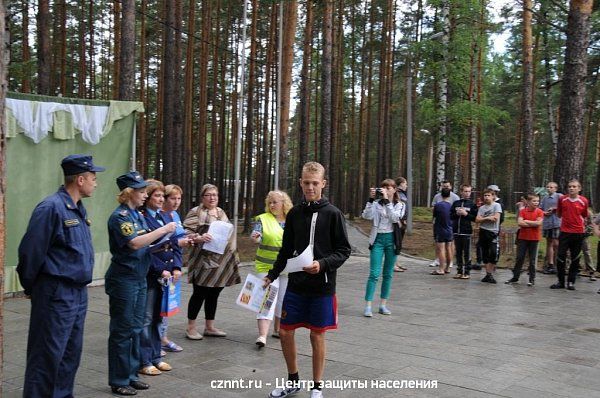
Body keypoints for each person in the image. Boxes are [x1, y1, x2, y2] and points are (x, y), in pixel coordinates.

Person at [16, 154, 105, 398]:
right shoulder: (51, 208)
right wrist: (35, 288)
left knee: (69, 354)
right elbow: (30, 253)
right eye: (93, 178)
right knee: (46, 355)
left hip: (76, 293)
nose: (96, 183)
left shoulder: (76, 207)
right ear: (80, 179)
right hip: (56, 292)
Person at [263, 161, 351, 398]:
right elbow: (286, 249)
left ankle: (317, 386)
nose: (310, 187)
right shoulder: (294, 213)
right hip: (296, 285)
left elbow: (344, 250)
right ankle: (293, 381)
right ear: (300, 183)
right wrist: (271, 275)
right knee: (284, 332)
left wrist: (321, 264)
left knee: (316, 334)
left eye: (315, 183)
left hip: (322, 287)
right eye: (306, 183)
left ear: (323, 184)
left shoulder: (333, 214)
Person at [105, 171, 177, 396]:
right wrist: (164, 230)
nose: (145, 195)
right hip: (124, 279)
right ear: (129, 193)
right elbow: (135, 243)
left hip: (139, 277)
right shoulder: (121, 217)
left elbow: (146, 242)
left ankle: (131, 374)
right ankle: (118, 379)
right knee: (122, 330)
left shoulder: (136, 215)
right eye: (141, 191)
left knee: (136, 328)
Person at [139, 180, 187, 376]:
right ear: (148, 198)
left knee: (159, 317)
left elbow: (175, 244)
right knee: (147, 318)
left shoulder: (165, 216)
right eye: (156, 196)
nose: (160, 199)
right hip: (152, 276)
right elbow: (145, 250)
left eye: (161, 196)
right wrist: (160, 270)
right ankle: (144, 360)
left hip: (167, 276)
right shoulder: (142, 218)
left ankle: (156, 357)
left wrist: (176, 266)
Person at [184, 184, 241, 340]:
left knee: (214, 293)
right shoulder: (196, 212)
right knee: (199, 293)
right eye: (208, 195)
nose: (212, 198)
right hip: (202, 260)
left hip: (221, 261)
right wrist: (199, 237)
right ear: (202, 197)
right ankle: (191, 327)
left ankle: (209, 326)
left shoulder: (221, 212)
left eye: (215, 195)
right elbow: (186, 232)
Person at [250, 190, 294, 347]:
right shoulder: (262, 219)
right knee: (267, 299)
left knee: (283, 300)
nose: (272, 205)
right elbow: (257, 234)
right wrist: (256, 238)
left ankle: (278, 329)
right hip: (266, 267)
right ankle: (262, 335)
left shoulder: (292, 219)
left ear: (284, 203)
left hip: (287, 268)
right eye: (270, 202)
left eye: (275, 202)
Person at [362, 179, 405, 316]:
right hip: (377, 240)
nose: (386, 190)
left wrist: (387, 202)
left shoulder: (400, 204)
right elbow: (366, 215)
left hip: (391, 240)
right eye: (384, 187)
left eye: (389, 188)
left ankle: (383, 304)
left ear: (394, 190)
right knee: (374, 273)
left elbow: (395, 218)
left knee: (388, 274)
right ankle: (368, 305)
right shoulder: (376, 204)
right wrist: (370, 199)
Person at [159, 184, 187, 354]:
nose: (176, 202)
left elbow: (179, 240)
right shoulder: (159, 216)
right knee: (156, 307)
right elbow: (164, 243)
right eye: (172, 198)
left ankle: (163, 337)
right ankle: (157, 339)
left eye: (179, 198)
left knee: (167, 304)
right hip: (160, 266)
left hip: (172, 266)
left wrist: (177, 266)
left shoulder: (175, 215)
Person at [550, 179, 589, 291]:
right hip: (565, 232)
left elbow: (584, 214)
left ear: (579, 188)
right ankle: (560, 281)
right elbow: (559, 213)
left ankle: (571, 282)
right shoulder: (562, 199)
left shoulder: (584, 201)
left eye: (574, 186)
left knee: (575, 258)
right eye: (570, 186)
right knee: (560, 257)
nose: (571, 188)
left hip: (578, 233)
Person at [505, 193, 544, 286]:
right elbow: (520, 223)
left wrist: (526, 221)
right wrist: (531, 223)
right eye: (534, 201)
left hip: (534, 238)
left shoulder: (539, 212)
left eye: (537, 201)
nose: (536, 203)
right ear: (528, 202)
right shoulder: (523, 211)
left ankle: (532, 279)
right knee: (520, 258)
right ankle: (515, 277)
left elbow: (538, 223)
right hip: (523, 238)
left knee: (532, 259)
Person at [450, 184, 478, 279]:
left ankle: (467, 272)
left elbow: (475, 218)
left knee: (467, 253)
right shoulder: (456, 203)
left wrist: (466, 214)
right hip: (456, 231)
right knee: (458, 252)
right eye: (465, 191)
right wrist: (456, 214)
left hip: (466, 232)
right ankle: (459, 271)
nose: (467, 193)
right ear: (461, 192)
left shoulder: (472, 204)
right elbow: (450, 216)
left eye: (469, 191)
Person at [430, 180, 459, 268]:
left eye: (447, 186)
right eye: (444, 186)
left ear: (451, 187)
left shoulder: (455, 197)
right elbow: (433, 208)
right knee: (438, 242)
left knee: (449, 244)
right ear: (441, 187)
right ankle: (437, 260)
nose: (446, 188)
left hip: (450, 223)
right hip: (438, 223)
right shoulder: (437, 196)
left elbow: (457, 209)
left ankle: (448, 263)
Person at [475, 189, 502, 284]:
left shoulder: (496, 205)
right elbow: (477, 219)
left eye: (488, 195)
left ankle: (490, 272)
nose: (486, 197)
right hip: (483, 231)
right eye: (485, 195)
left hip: (493, 232)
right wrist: (487, 218)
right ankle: (488, 274)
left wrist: (483, 219)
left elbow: (495, 218)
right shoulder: (482, 208)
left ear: (493, 196)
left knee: (494, 253)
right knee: (485, 253)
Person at [431, 187, 454, 275]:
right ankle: (448, 268)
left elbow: (434, 217)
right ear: (449, 195)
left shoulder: (438, 205)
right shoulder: (451, 206)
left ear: (441, 195)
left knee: (441, 249)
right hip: (449, 229)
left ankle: (441, 268)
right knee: (449, 248)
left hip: (440, 229)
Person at [540, 182, 562, 274]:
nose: (549, 188)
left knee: (556, 243)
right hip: (547, 223)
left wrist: (554, 209)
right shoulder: (544, 198)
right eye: (547, 187)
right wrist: (544, 213)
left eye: (551, 187)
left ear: (555, 189)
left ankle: (558, 264)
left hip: (557, 223)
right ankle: (551, 265)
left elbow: (565, 206)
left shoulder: (559, 196)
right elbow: (540, 209)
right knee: (549, 243)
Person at [394, 177, 408, 272]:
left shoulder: (403, 194)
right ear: (401, 184)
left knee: (399, 243)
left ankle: (396, 262)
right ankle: (393, 264)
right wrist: (400, 220)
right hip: (398, 222)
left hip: (403, 221)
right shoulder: (396, 194)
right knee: (396, 242)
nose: (406, 185)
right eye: (405, 183)